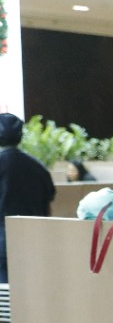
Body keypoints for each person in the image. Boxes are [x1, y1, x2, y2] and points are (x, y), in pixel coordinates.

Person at [0, 112, 56, 286]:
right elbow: (48, 205)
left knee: (4, 291)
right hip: (34, 238)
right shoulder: (39, 167)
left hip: (2, 240)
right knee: (30, 288)